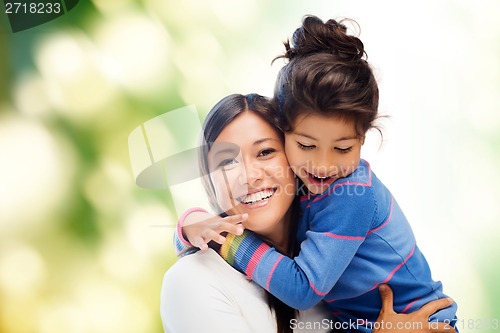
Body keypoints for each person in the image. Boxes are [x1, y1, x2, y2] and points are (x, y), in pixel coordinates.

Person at [174, 16, 458, 332]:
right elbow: (196, 239)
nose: (323, 166)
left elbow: (302, 289)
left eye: (342, 148)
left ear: (363, 140)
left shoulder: (351, 195)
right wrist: (191, 224)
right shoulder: (303, 187)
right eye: (307, 145)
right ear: (286, 134)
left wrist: (226, 239)